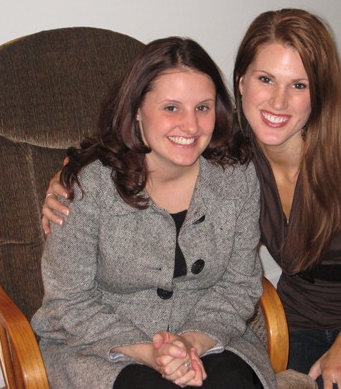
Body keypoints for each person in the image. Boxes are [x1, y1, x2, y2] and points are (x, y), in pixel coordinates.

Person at [42, 9, 341, 389]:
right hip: (302, 312)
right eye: (266, 79)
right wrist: (67, 176)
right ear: (241, 83)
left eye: (299, 85)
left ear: (320, 93)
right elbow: (142, 147)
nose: (278, 103)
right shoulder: (234, 150)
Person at [31, 36, 275, 389]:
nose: (190, 126)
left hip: (209, 336)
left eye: (203, 108)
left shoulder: (236, 177)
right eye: (171, 108)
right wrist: (151, 353)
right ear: (136, 110)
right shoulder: (87, 185)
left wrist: (190, 343)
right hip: (101, 347)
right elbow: (68, 300)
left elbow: (239, 285)